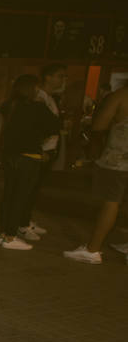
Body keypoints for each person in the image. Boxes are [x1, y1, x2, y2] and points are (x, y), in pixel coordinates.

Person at [63, 86, 128, 263]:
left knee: (111, 203)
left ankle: (93, 249)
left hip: (119, 160)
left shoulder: (122, 95)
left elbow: (99, 125)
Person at [0, 75, 59, 250]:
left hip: (10, 155)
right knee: (21, 196)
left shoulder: (8, 106)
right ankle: (10, 236)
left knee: (9, 194)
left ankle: (4, 233)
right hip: (29, 156)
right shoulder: (37, 108)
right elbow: (54, 126)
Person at [22, 63, 67, 239]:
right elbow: (38, 125)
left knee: (34, 187)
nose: (63, 80)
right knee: (28, 187)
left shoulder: (51, 98)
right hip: (40, 149)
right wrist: (41, 149)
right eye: (60, 76)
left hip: (48, 148)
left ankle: (26, 219)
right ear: (48, 77)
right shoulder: (40, 97)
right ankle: (22, 223)